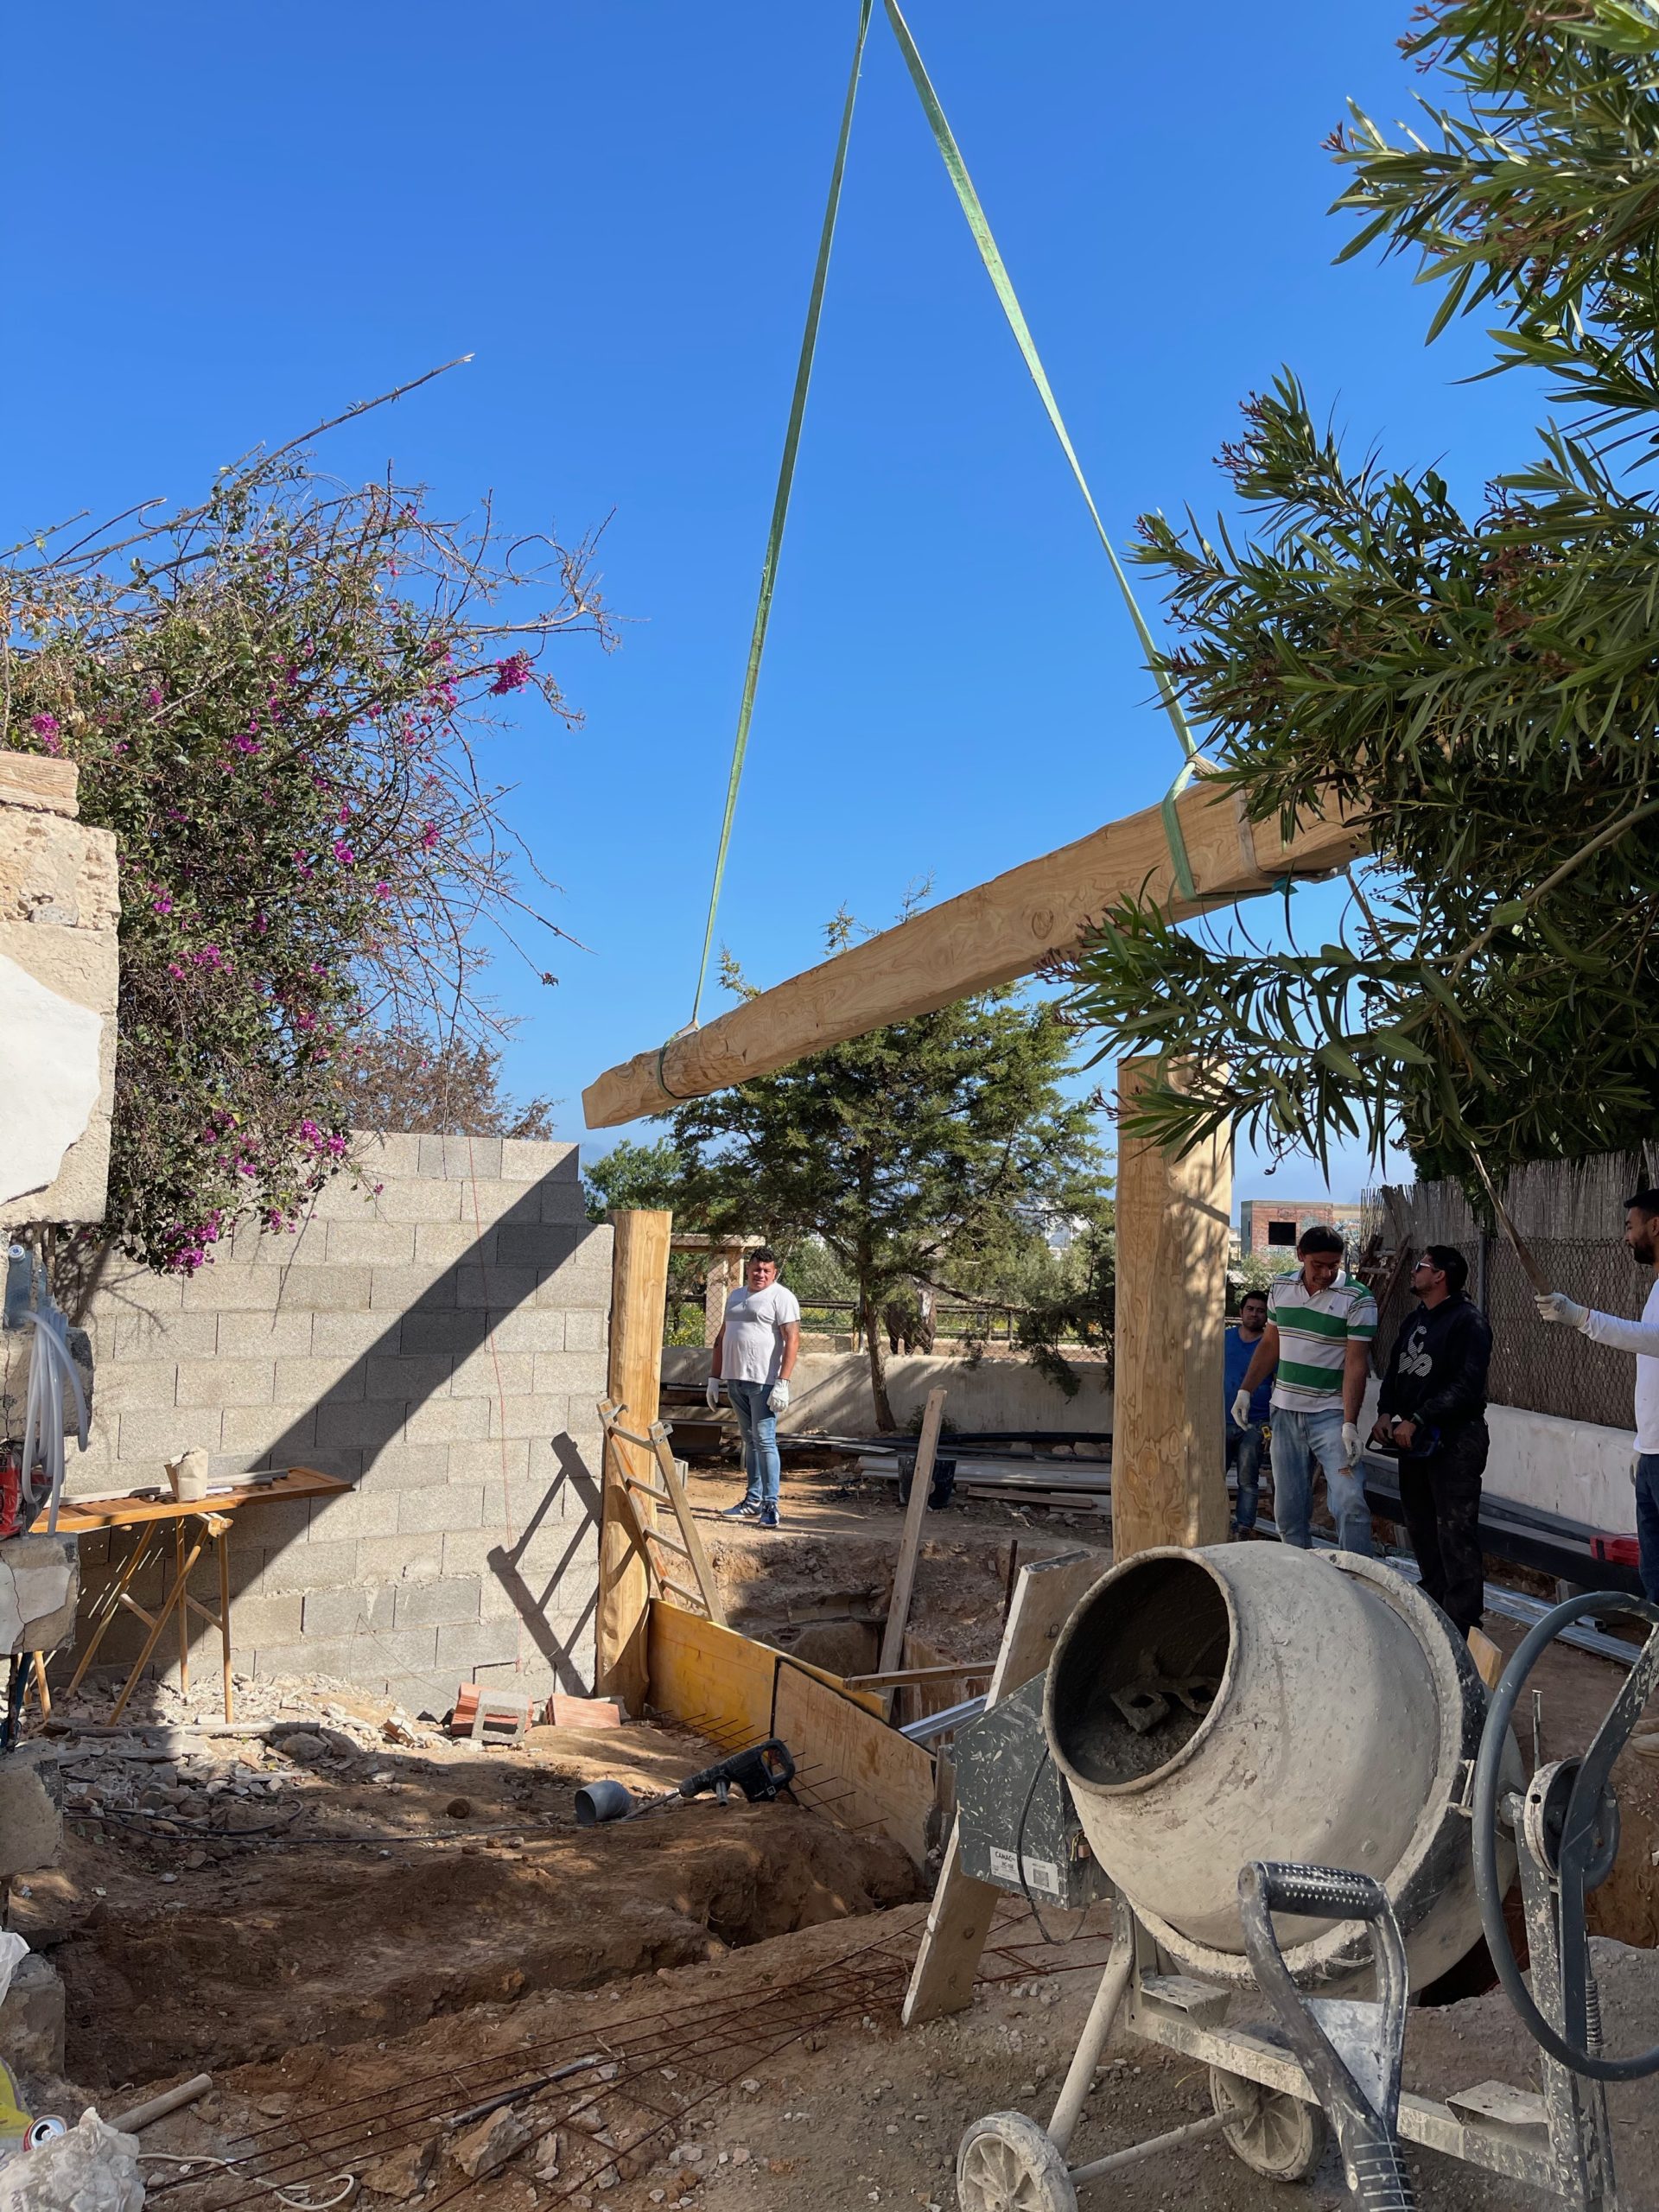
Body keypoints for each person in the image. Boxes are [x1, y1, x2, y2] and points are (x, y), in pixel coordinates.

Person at [1535, 1186, 1659, 1604]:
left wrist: (1581, 1318)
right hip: (1652, 1455)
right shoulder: (1657, 1289)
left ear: (1655, 1226)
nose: (1626, 1237)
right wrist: (1644, 1446)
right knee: (1654, 1573)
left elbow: (1652, 1340)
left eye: (1630, 1226)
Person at [1369, 1245, 1492, 1634]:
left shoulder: (1468, 1322)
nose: (1414, 1272)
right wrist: (1386, 1412)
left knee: (1455, 1530)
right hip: (1414, 1441)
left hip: (1456, 1440)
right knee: (1420, 1527)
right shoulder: (1414, 1319)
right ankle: (1433, 1609)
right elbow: (1395, 1371)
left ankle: (1463, 1623)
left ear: (1440, 1276)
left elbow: (1467, 1386)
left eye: (1421, 1266)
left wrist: (1420, 1417)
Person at [1234, 1224, 1376, 1554]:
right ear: (1301, 1255)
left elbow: (1356, 1364)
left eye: (1333, 1265)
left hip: (1331, 1416)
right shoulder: (1281, 1286)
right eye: (1318, 1265)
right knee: (1288, 1512)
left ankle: (1358, 1576)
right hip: (1284, 1413)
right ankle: (1301, 1573)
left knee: (1350, 1500)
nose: (1326, 1273)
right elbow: (1271, 1343)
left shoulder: (1358, 1299)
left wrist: (1350, 1423)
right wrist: (1246, 1390)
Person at [708, 1247, 801, 1529]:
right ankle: (753, 1500)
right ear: (748, 1269)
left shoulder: (782, 1297)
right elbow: (722, 1337)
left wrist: (782, 1382)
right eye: (756, 1269)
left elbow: (793, 1339)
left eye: (766, 1270)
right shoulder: (735, 1296)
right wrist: (714, 1378)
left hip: (764, 1382)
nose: (760, 1274)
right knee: (749, 1441)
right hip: (736, 1380)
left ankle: (771, 1505)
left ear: (774, 1273)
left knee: (764, 1440)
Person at [1224, 1289, 1274, 1535]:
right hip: (1221, 1420)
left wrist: (1271, 1427)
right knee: (1213, 1476)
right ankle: (1211, 1521)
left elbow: (1280, 1385)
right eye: (1250, 1309)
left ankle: (1243, 1528)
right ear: (1241, 1312)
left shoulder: (1271, 1346)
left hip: (1255, 1424)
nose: (1255, 1314)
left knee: (1247, 1480)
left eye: (1261, 1311)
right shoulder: (1223, 1339)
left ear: (1267, 1316)